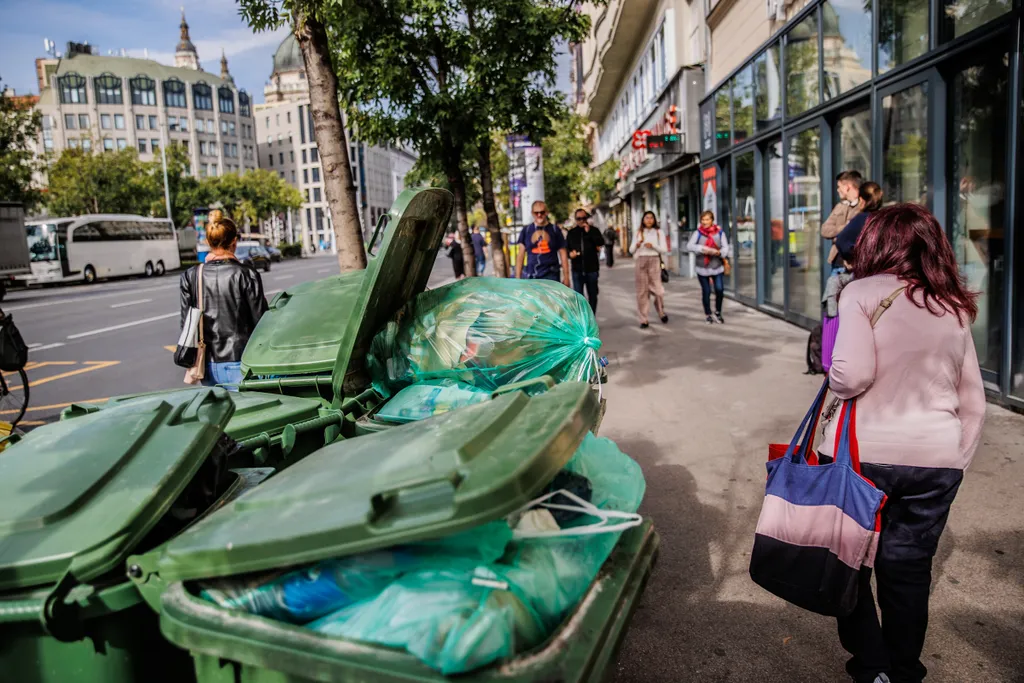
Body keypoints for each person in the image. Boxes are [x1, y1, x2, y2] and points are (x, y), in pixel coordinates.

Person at [820, 203, 985, 683]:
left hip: (862, 457)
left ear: (875, 244)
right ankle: (904, 669)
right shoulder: (952, 304)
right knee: (908, 572)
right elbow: (973, 400)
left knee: (848, 564)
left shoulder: (862, 292)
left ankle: (873, 666)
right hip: (935, 460)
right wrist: (955, 459)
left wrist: (832, 372)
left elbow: (851, 375)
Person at [178, 209, 268, 389]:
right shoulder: (246, 274)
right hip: (241, 360)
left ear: (208, 242)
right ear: (234, 242)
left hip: (206, 364)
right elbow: (262, 322)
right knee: (245, 414)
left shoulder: (191, 276)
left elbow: (186, 324)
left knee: (218, 415)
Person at [687, 210, 732, 324]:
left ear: (712, 220)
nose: (705, 222)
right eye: (703, 220)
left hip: (717, 265)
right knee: (706, 291)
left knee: (719, 289)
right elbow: (690, 246)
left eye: (707, 219)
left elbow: (725, 248)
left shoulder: (720, 232)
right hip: (702, 267)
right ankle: (708, 314)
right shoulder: (698, 233)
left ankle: (718, 312)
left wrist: (719, 253)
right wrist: (702, 249)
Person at [515, 200, 570, 285]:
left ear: (547, 212)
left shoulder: (555, 230)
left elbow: (563, 254)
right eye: (536, 213)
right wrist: (518, 278)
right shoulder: (526, 230)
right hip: (532, 276)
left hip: (551, 275)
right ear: (532, 213)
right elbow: (520, 255)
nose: (539, 215)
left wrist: (566, 277)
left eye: (542, 212)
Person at [631, 211, 669, 328]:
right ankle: (644, 319)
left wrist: (653, 246)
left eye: (651, 218)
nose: (649, 220)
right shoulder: (638, 232)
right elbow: (631, 250)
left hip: (654, 260)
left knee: (659, 291)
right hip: (641, 260)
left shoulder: (659, 232)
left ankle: (661, 311)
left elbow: (664, 249)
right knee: (642, 292)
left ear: (654, 220)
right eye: (646, 218)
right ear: (643, 219)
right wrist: (637, 245)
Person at [834, 182, 884, 267]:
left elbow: (841, 241)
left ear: (861, 200)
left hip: (864, 268)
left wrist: (852, 258)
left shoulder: (860, 219)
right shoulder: (885, 218)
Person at [567, 209, 605, 312]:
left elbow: (601, 242)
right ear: (575, 220)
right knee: (578, 298)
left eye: (583, 218)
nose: (581, 221)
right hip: (577, 269)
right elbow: (567, 249)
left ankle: (591, 319)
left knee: (593, 295)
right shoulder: (571, 233)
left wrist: (589, 233)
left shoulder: (594, 230)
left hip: (592, 269)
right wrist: (570, 254)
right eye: (579, 219)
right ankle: (583, 320)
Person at [823, 170, 863, 268]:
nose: (838, 190)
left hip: (854, 265)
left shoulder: (862, 207)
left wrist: (837, 233)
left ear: (847, 187)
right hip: (836, 263)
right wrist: (844, 227)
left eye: (839, 186)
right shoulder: (840, 206)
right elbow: (824, 230)